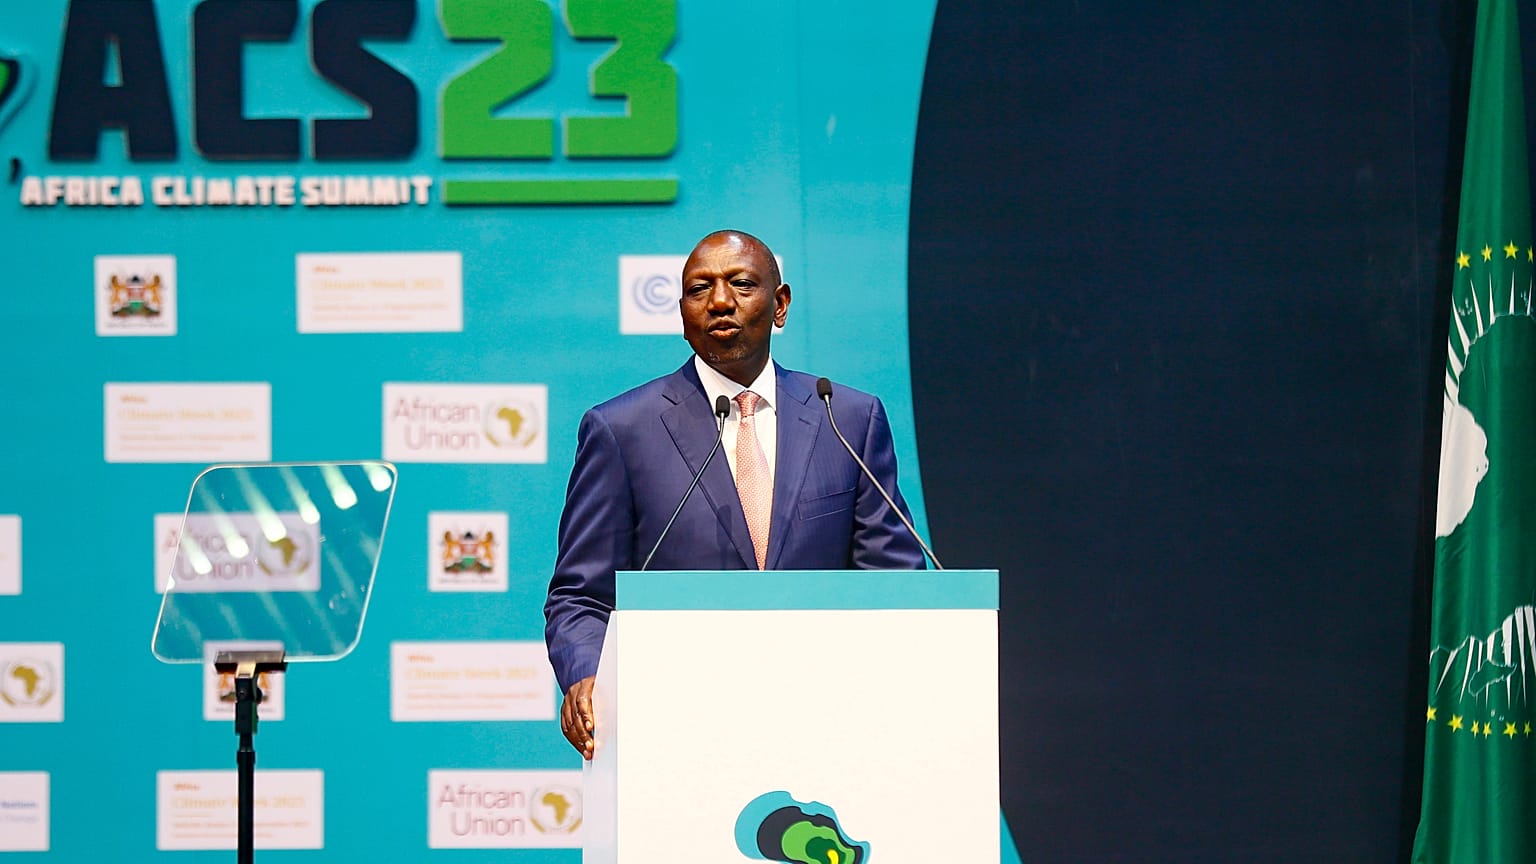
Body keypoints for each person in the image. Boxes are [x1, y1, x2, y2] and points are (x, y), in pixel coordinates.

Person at [543, 229, 926, 759]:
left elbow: (896, 583)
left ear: (780, 304)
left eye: (741, 284)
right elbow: (581, 595)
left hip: (832, 724)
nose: (720, 301)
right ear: (681, 313)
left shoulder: (848, 419)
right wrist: (587, 676)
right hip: (676, 729)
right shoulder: (622, 429)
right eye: (700, 289)